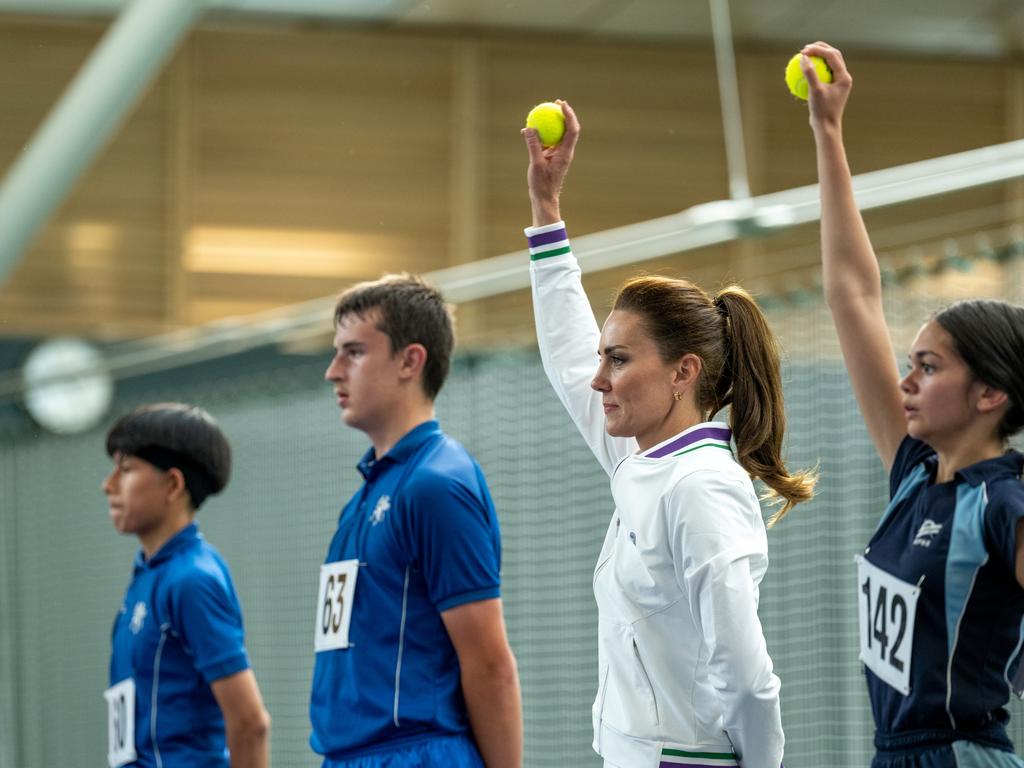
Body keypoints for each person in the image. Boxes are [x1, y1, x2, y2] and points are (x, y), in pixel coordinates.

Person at [522, 102, 815, 768]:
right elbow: (569, 353)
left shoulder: (703, 487)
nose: (597, 379)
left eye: (619, 360)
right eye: (604, 358)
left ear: (684, 372)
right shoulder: (639, 457)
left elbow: (746, 674)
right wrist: (546, 208)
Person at [802, 41, 1024, 768]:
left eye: (928, 368)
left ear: (991, 393)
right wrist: (828, 134)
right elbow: (853, 295)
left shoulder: (1004, 506)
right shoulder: (912, 474)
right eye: (909, 364)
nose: (905, 382)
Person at [311, 274, 522, 768]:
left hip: (417, 755)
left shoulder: (437, 485)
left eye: (354, 352)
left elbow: (490, 664)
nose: (333, 371)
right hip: (349, 756)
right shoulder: (365, 497)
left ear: (410, 360)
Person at [103, 402, 270, 768]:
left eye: (126, 470)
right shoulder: (147, 578)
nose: (108, 485)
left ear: (173, 484)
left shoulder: (192, 580)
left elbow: (250, 723)